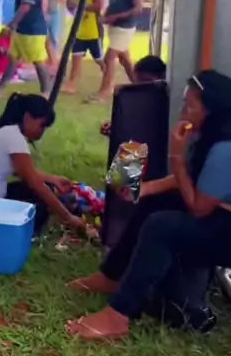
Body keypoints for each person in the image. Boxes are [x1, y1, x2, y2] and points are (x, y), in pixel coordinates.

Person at [67, 69, 231, 341]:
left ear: (212, 110)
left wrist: (176, 157)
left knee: (162, 226)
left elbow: (199, 207)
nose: (183, 112)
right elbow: (191, 181)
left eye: (189, 106)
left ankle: (118, 315)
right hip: (218, 214)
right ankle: (111, 276)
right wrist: (145, 190)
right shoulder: (214, 136)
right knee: (157, 201)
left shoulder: (225, 150)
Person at [0, 93, 98, 239]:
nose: (42, 132)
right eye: (42, 125)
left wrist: (53, 179)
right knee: (41, 197)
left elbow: (23, 171)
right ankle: (28, 235)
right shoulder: (13, 137)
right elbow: (35, 183)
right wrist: (69, 218)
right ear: (27, 117)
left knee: (44, 188)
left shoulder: (0, 129)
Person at [90, 0, 142, 102]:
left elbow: (138, 8)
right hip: (114, 27)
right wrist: (105, 16)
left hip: (125, 26)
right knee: (124, 60)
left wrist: (117, 17)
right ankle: (140, 86)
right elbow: (113, 3)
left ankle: (105, 91)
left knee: (109, 57)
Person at [100, 55, 166, 137]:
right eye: (137, 83)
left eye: (146, 81)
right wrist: (115, 129)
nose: (140, 87)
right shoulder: (137, 103)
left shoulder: (167, 105)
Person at [63, 0, 106, 94]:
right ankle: (72, 85)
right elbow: (73, 9)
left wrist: (78, 5)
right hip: (80, 32)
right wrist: (70, 4)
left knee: (100, 61)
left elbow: (98, 6)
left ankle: (108, 81)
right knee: (75, 59)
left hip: (93, 33)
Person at [42, 0, 63, 68]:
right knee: (44, 36)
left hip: (54, 14)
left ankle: (53, 57)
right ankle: (49, 56)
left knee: (53, 35)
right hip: (44, 15)